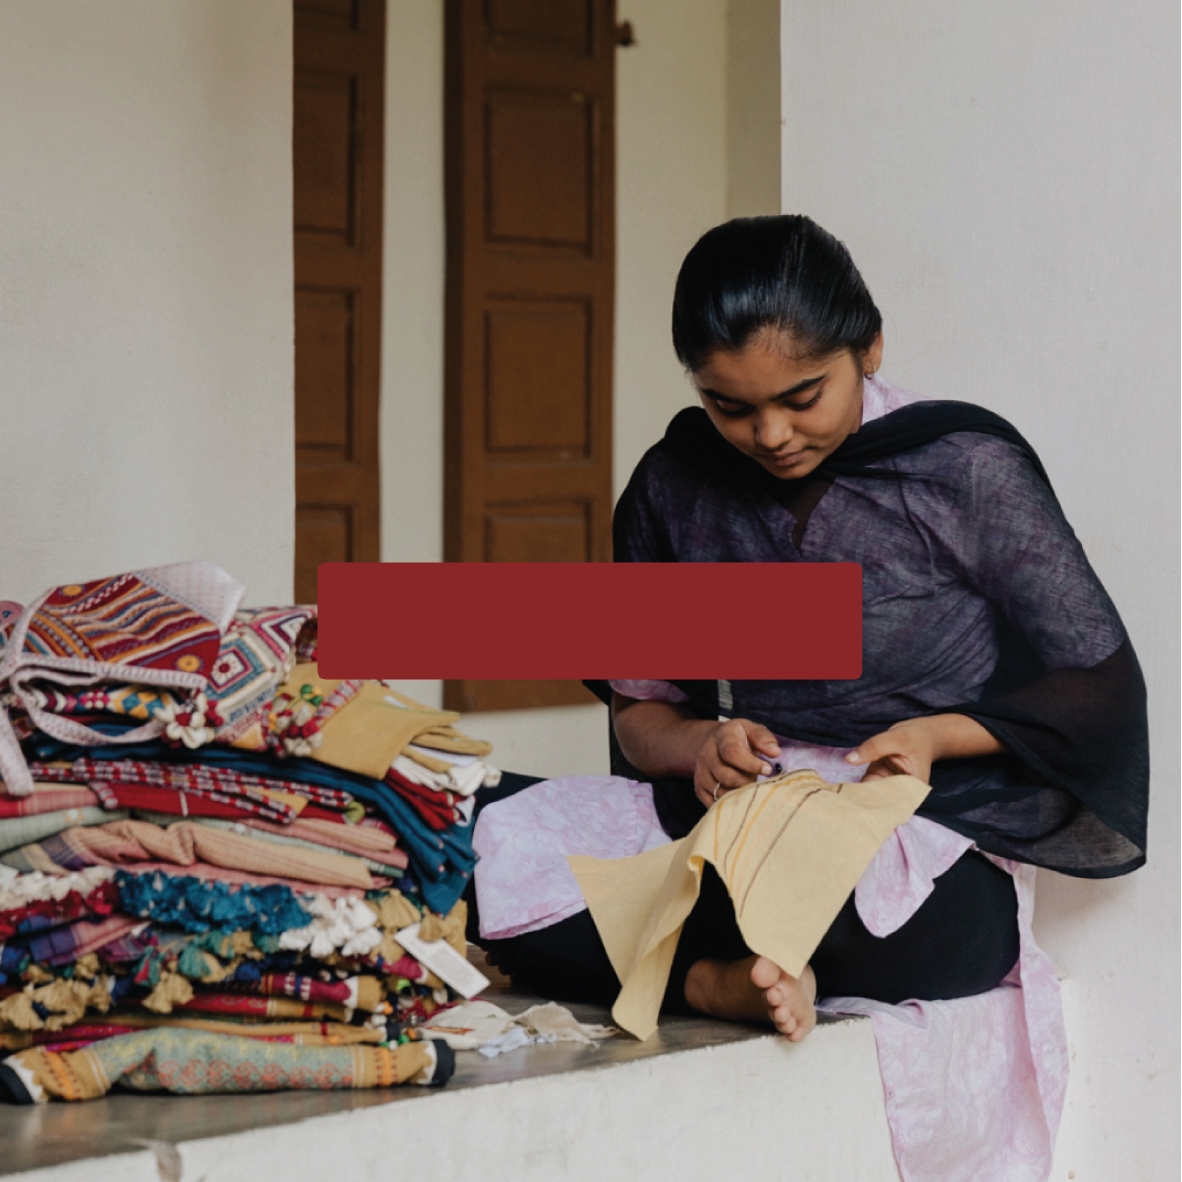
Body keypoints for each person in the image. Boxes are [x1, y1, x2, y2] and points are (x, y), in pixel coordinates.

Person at [469, 215, 1148, 1042]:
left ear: (870, 348)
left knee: (933, 924)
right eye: (729, 406)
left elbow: (1098, 685)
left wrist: (935, 736)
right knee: (455, 834)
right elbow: (640, 712)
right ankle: (714, 979)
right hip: (737, 826)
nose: (771, 436)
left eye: (802, 398)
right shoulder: (675, 486)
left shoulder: (960, 471)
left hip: (906, 840)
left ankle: (698, 965)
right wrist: (700, 745)